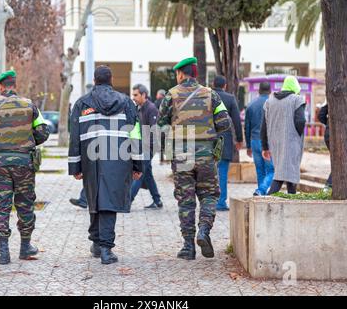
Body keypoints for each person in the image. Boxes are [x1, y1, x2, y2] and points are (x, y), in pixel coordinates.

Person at [0, 70, 50, 265]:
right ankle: (25, 247)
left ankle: (4, 252)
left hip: (0, 165)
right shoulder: (30, 105)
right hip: (25, 163)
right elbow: (43, 131)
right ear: (14, 85)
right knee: (25, 204)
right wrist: (27, 141)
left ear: (0, 86)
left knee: (2, 204)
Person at [68, 65, 143, 265]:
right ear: (111, 81)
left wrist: (75, 166)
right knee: (108, 202)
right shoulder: (127, 102)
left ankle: (98, 244)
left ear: (94, 80)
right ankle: (105, 249)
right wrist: (137, 165)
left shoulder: (82, 103)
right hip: (118, 159)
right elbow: (135, 135)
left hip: (91, 160)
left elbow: (74, 136)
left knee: (95, 198)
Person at [159, 57, 231, 260]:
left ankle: (188, 247)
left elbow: (161, 124)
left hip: (181, 154)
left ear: (181, 74)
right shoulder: (211, 94)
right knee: (209, 195)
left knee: (186, 199)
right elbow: (225, 123)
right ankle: (204, 231)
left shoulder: (171, 95)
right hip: (207, 154)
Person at [261, 76, 306, 195]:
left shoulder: (269, 101)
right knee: (281, 174)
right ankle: (268, 200)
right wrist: (296, 135)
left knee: (287, 173)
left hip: (275, 144)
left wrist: (265, 147)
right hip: (291, 143)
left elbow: (264, 126)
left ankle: (291, 198)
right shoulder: (297, 99)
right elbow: (301, 121)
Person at [213, 76, 243, 211]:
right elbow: (236, 120)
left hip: (208, 139)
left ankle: (208, 201)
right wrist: (239, 139)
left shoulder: (207, 97)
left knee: (207, 172)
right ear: (224, 85)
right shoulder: (230, 99)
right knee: (223, 171)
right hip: (224, 139)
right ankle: (220, 202)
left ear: (213, 84)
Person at [130, 84, 163, 209]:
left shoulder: (151, 108)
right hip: (143, 146)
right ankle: (157, 200)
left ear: (144, 95)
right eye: (133, 95)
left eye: (136, 95)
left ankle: (127, 201)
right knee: (147, 173)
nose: (133, 97)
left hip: (149, 146)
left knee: (139, 173)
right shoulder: (140, 108)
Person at [245, 82, 275, 196]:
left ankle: (260, 193)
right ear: (270, 91)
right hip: (267, 142)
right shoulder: (272, 104)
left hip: (254, 141)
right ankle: (262, 189)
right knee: (271, 170)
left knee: (260, 170)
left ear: (259, 90)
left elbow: (247, 127)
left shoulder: (251, 105)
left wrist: (248, 146)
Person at [318, 102, 332, 191]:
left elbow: (321, 115)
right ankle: (329, 185)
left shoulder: (332, 100)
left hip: (328, 134)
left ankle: (329, 185)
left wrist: (327, 124)